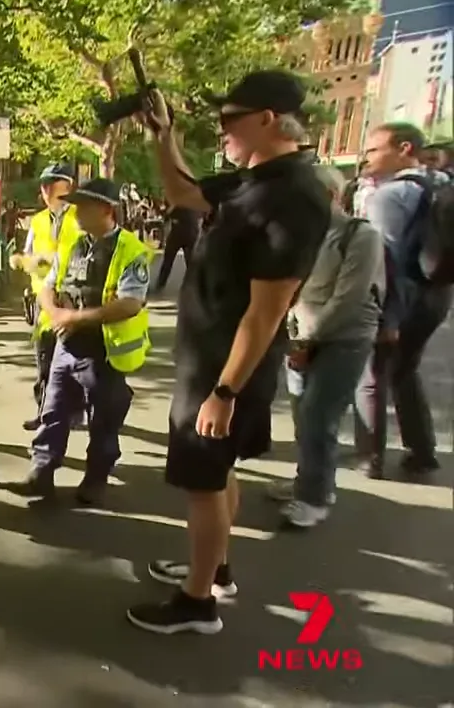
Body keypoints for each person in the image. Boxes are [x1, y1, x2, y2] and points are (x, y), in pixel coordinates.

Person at [126, 70, 329, 635]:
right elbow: (182, 193)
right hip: (210, 363)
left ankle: (197, 603)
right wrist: (162, 136)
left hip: (225, 371)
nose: (221, 131)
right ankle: (213, 569)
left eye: (229, 120)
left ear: (268, 120)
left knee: (203, 483)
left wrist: (224, 391)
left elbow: (266, 311)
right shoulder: (252, 179)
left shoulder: (294, 195)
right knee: (217, 476)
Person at [17, 179, 150, 506]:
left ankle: (96, 477)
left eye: (84, 206)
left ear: (106, 210)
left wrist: (73, 319)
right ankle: (42, 471)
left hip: (103, 350)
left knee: (103, 419)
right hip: (67, 345)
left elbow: (131, 302)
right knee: (54, 410)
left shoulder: (130, 249)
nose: (75, 211)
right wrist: (55, 313)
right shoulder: (73, 244)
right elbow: (48, 286)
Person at [269, 165, 384, 528]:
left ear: (332, 197)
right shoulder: (299, 235)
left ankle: (313, 499)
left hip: (344, 338)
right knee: (304, 417)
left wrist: (307, 340)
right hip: (301, 335)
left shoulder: (361, 235)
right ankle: (311, 482)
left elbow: (347, 298)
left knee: (320, 416)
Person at [354, 123, 453, 480]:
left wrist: (388, 318)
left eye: (374, 149)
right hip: (437, 293)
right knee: (405, 370)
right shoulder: (437, 183)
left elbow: (387, 261)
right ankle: (422, 450)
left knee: (371, 376)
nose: (367, 157)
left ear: (404, 148)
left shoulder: (389, 196)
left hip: (403, 300)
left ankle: (370, 457)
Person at [12, 163, 84, 432]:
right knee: (44, 358)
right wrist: (24, 261)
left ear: (68, 185)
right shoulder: (39, 219)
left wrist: (48, 260)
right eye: (44, 184)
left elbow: (80, 254)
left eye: (53, 183)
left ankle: (74, 411)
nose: (46, 189)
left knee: (72, 359)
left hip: (69, 299)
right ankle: (44, 410)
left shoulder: (78, 216)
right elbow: (27, 253)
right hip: (43, 301)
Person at [153, 204, 201, 294]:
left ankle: (160, 284)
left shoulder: (177, 201)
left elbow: (166, 215)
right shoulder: (194, 200)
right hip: (192, 232)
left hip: (178, 233)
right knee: (190, 262)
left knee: (168, 259)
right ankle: (195, 286)